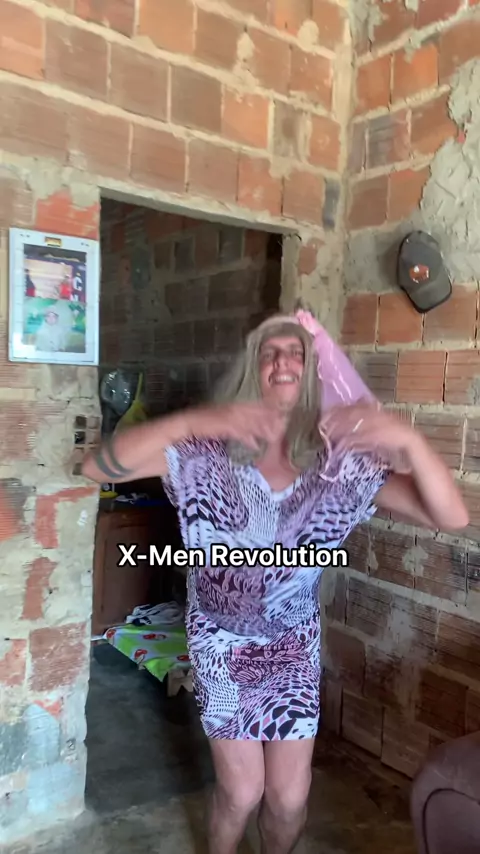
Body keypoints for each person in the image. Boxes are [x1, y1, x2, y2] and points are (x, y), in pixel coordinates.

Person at [82, 310, 468, 854]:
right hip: (220, 641)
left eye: (296, 353)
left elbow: (450, 517)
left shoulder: (339, 465)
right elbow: (96, 467)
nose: (283, 361)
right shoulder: (205, 453)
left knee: (288, 799)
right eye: (269, 352)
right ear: (253, 370)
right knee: (242, 792)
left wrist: (407, 437)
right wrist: (198, 421)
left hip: (292, 642)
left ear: (312, 373)